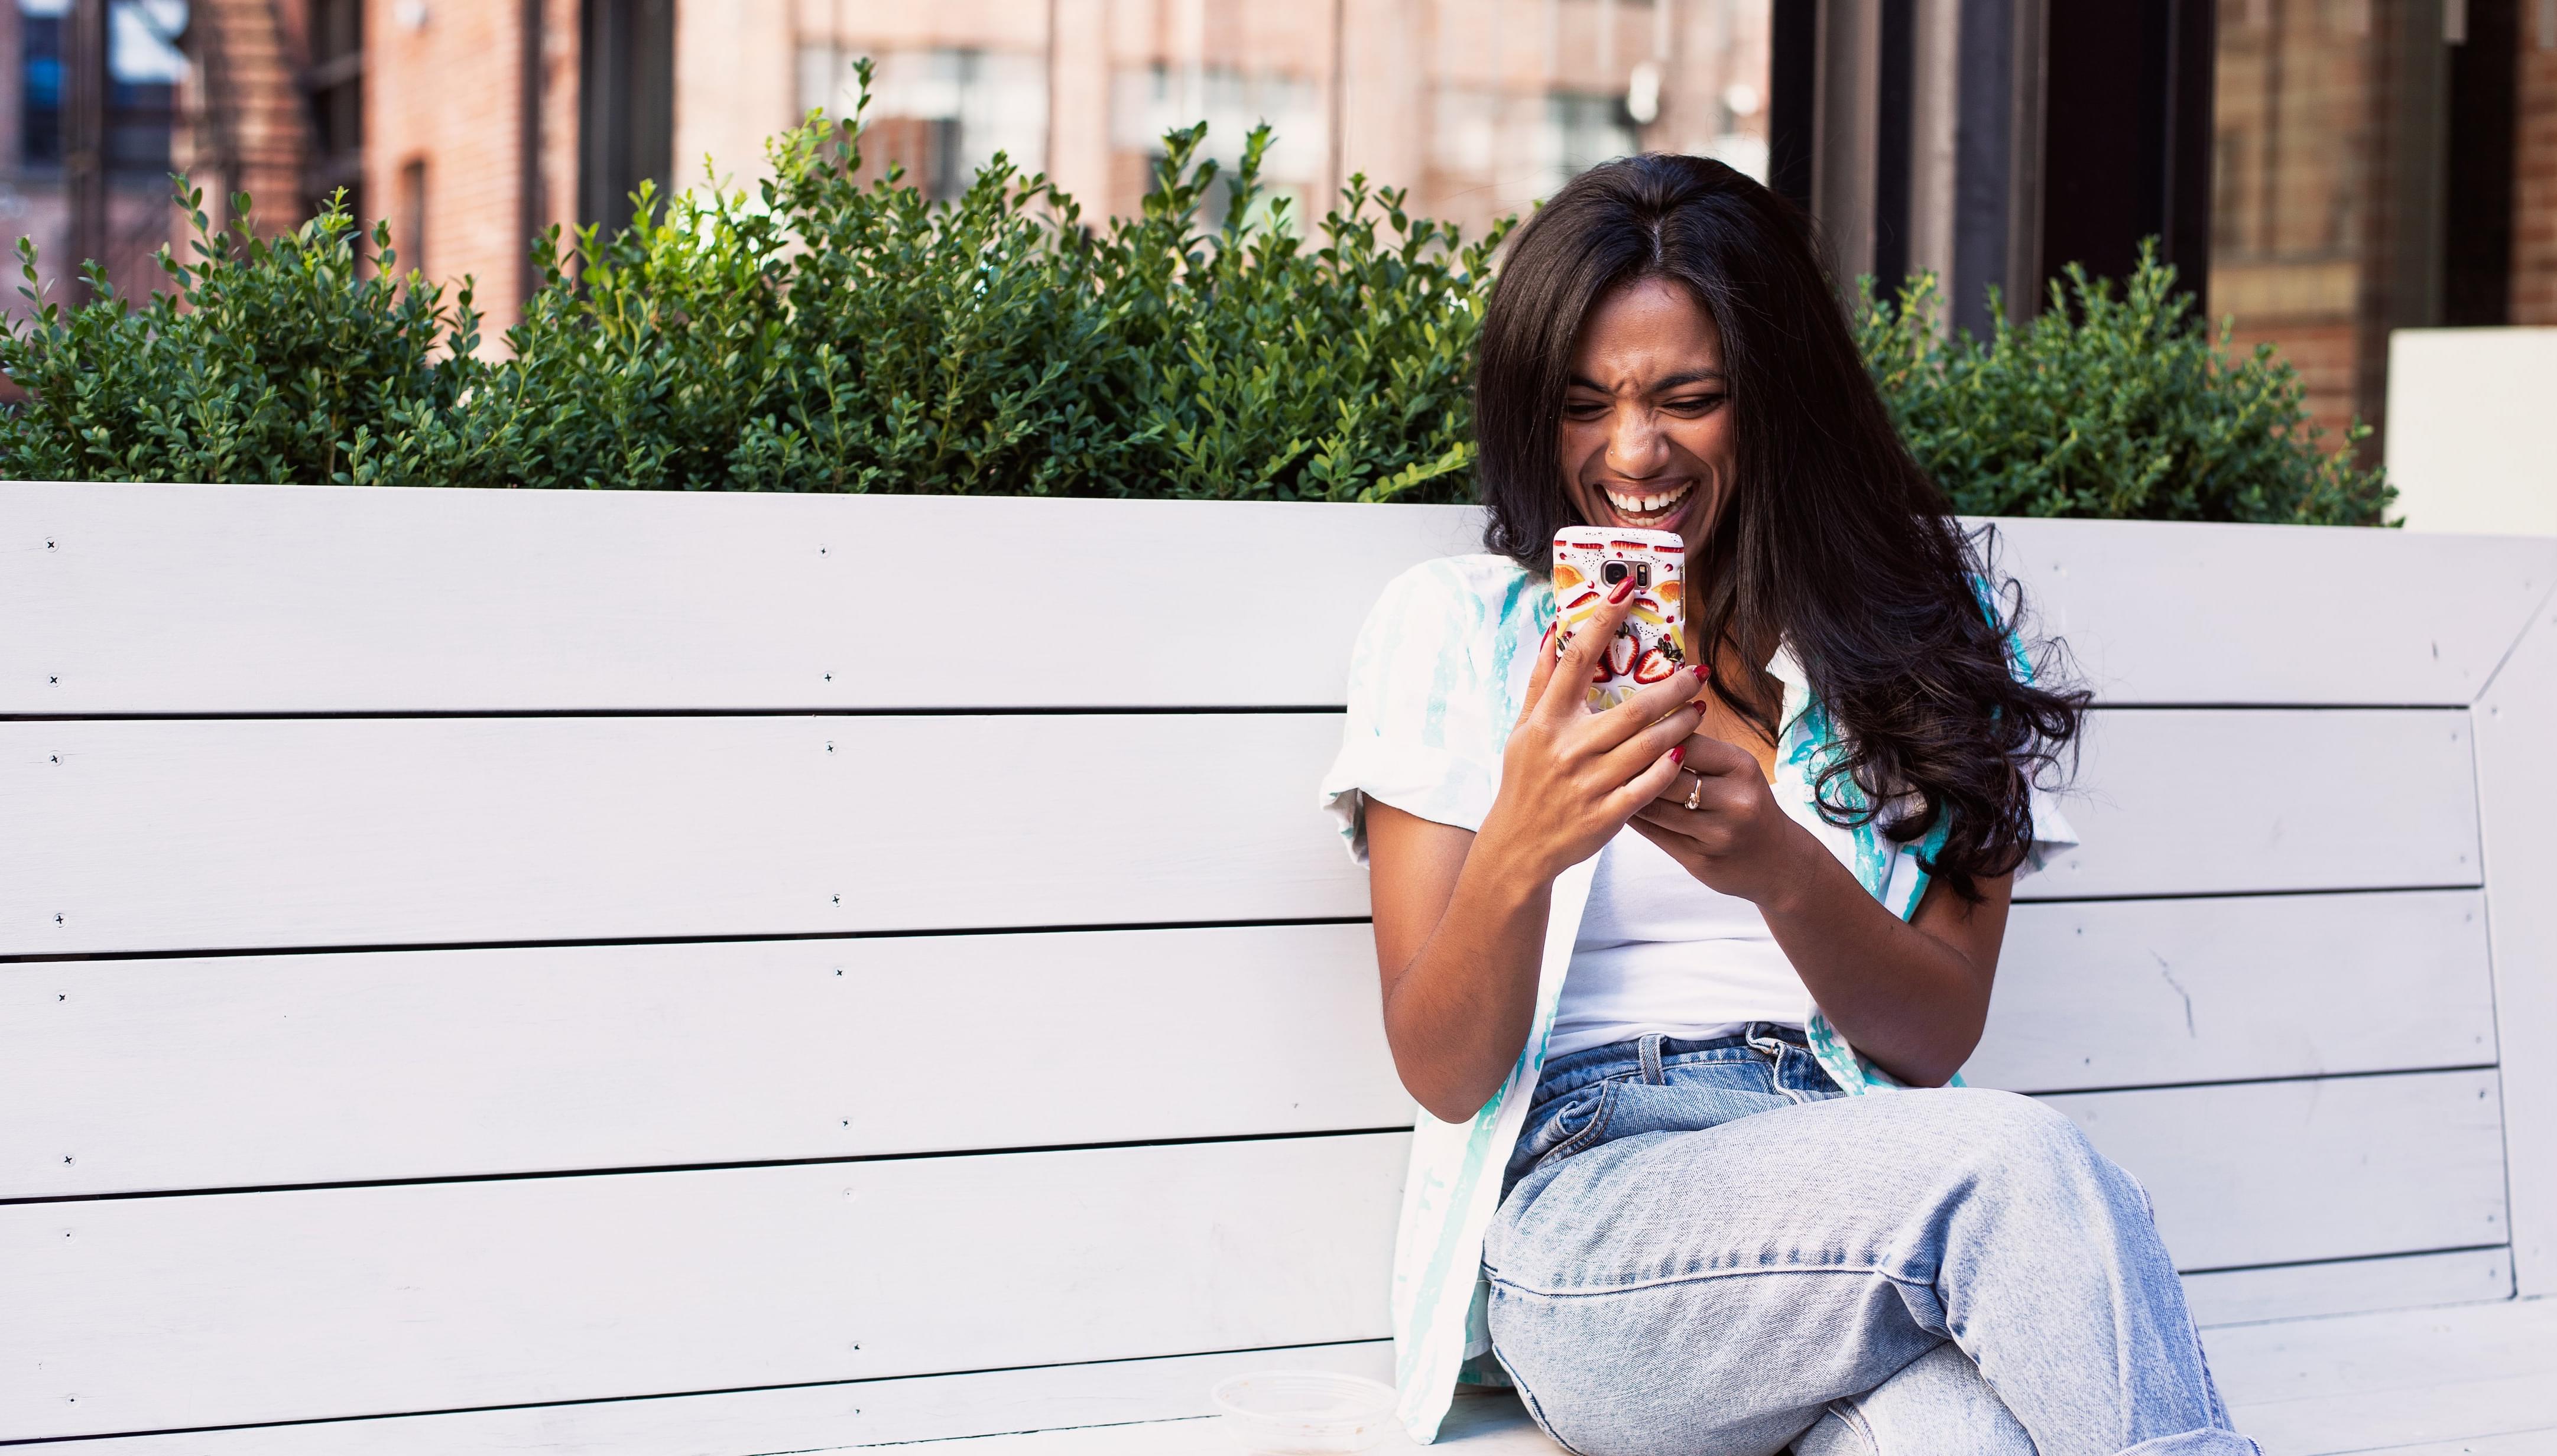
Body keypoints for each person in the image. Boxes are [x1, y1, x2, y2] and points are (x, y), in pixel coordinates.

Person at [1318, 154, 2259, 1456]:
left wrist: (1776, 865)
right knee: (2015, 1160)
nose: (1632, 451)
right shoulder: (1458, 632)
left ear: (1779, 401)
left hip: (1862, 1176)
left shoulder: (1929, 636)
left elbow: (1932, 1033)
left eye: (1689, 399)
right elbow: (1441, 1061)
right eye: (1584, 405)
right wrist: (1523, 843)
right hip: (1602, 1223)